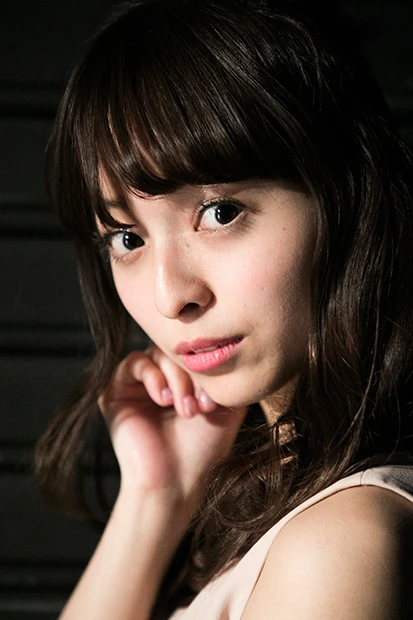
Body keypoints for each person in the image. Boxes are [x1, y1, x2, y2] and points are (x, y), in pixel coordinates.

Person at [35, 0, 413, 618]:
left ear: (346, 197)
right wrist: (156, 497)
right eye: (127, 238)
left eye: (220, 212)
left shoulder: (337, 543)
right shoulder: (284, 510)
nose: (170, 296)